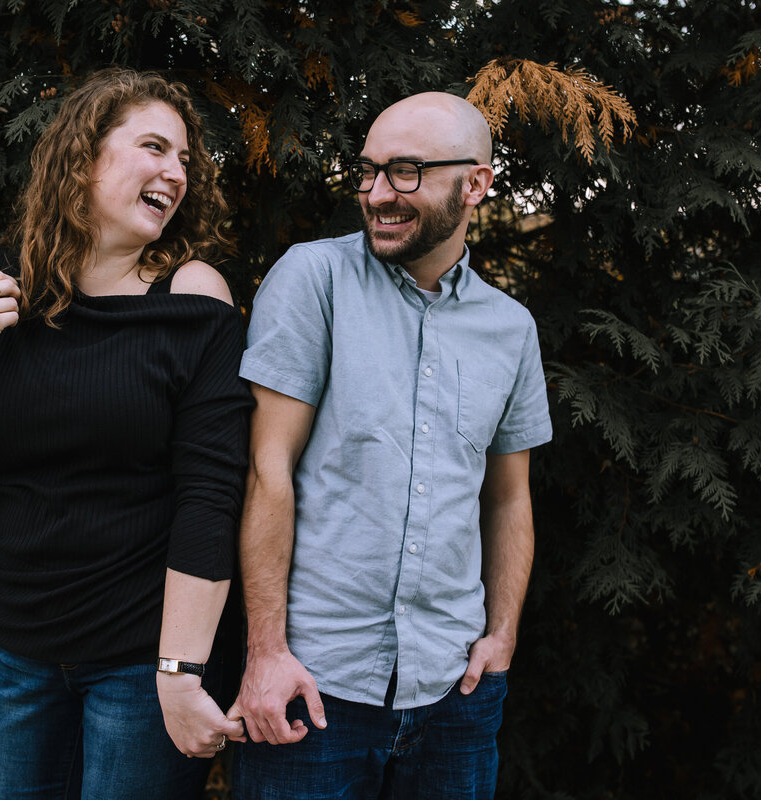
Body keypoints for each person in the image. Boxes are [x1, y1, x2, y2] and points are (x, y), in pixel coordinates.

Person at [0, 67, 250, 799]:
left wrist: (181, 672)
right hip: (19, 656)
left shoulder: (191, 296)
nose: (175, 173)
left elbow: (212, 496)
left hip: (141, 660)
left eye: (185, 159)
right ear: (85, 157)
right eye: (155, 148)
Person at [227, 92, 553, 799]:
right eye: (369, 170)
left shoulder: (511, 328)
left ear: (476, 184)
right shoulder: (313, 280)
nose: (378, 194)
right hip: (314, 690)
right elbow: (267, 471)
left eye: (405, 171)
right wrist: (265, 653)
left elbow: (507, 496)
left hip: (455, 696)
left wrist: (502, 639)